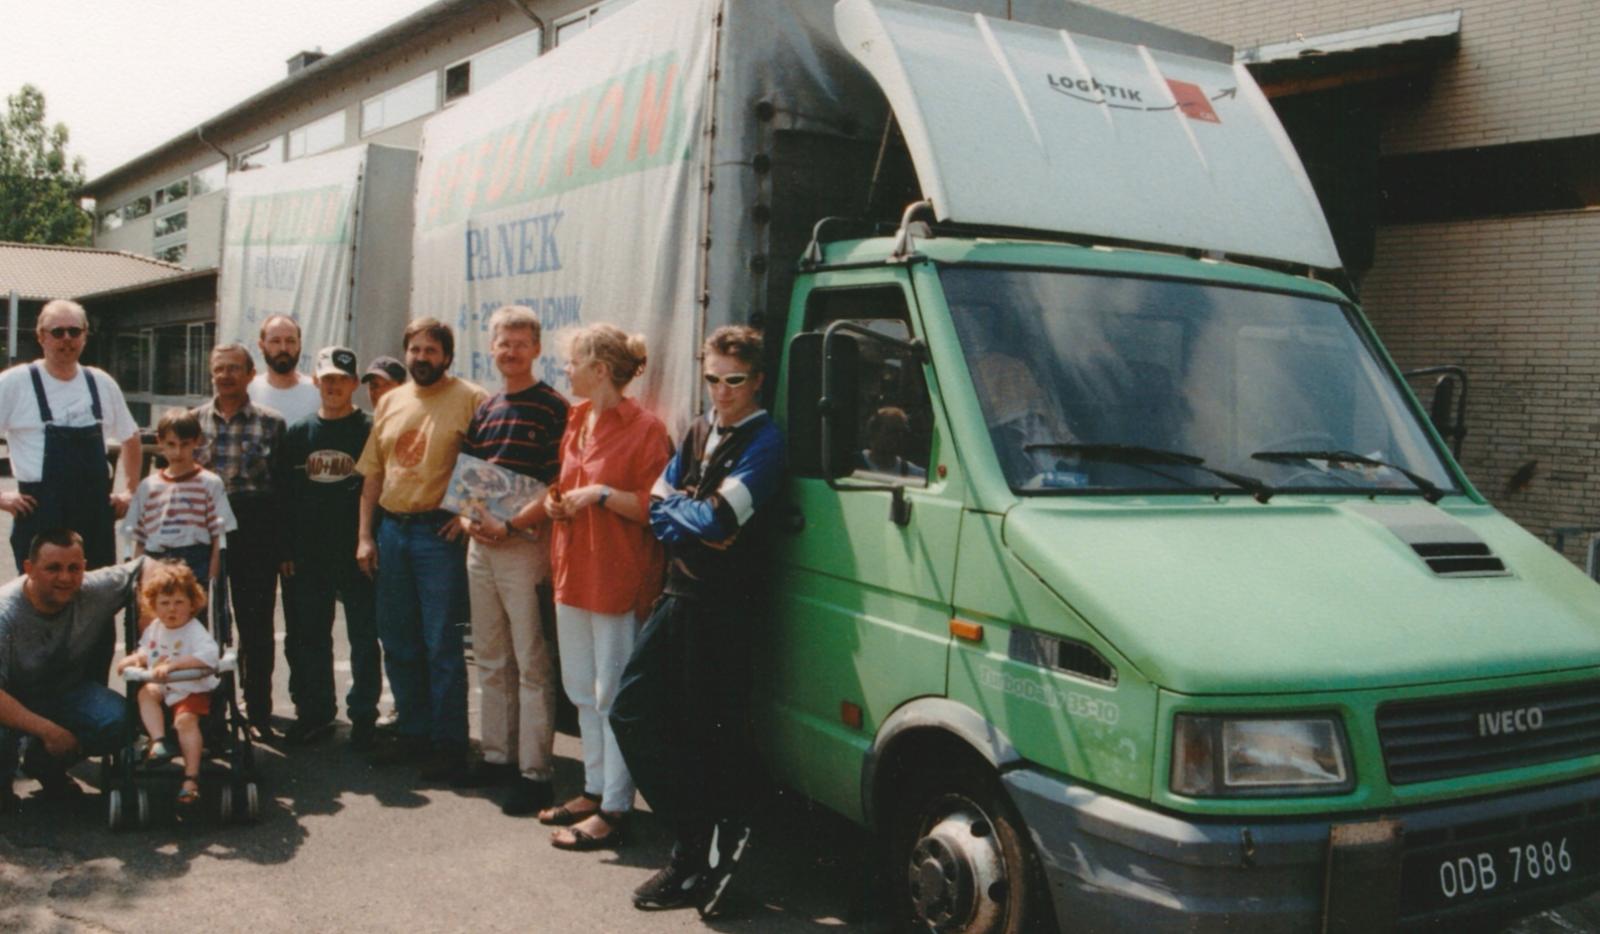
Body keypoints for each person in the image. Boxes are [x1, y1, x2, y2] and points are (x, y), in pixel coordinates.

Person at [613, 325, 784, 916]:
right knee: (631, 712)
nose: (721, 390)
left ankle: (703, 863)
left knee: (710, 735)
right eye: (712, 378)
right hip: (679, 593)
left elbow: (716, 521)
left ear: (757, 380)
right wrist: (693, 516)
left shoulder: (765, 441)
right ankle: (693, 846)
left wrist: (689, 514)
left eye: (734, 380)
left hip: (723, 607)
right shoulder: (697, 430)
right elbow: (658, 508)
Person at [535, 324, 671, 849]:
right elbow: (568, 486)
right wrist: (559, 504)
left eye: (573, 362)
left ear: (600, 369)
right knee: (580, 689)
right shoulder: (577, 419)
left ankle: (616, 807)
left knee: (612, 694)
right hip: (573, 571)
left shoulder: (645, 429)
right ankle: (594, 789)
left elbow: (655, 508)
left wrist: (599, 493)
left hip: (617, 576)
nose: (565, 370)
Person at [356, 318, 485, 782]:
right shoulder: (391, 400)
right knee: (398, 639)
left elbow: (488, 460)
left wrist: (468, 511)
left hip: (438, 535)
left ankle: (449, 746)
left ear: (447, 356)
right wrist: (365, 535)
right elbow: (373, 473)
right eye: (415, 349)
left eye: (432, 350)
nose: (422, 357)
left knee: (442, 644)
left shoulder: (471, 398)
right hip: (393, 530)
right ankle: (413, 732)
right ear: (405, 353)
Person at [456, 307, 568, 814]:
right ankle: (497, 756)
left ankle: (535, 772)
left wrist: (513, 525)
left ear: (537, 349)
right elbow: (471, 475)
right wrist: (469, 521)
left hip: (523, 545)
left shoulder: (553, 407)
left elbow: (557, 483)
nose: (512, 352)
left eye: (521, 344)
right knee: (490, 654)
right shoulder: (486, 407)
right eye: (504, 343)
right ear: (492, 347)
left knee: (530, 659)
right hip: (482, 544)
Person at [278, 346, 382, 748]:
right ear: (315, 382)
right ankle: (316, 712)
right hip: (309, 552)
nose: (333, 386)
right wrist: (286, 548)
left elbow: (378, 488)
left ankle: (364, 716)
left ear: (354, 383)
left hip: (356, 551)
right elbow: (285, 496)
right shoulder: (298, 433)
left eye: (341, 379)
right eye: (327, 380)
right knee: (310, 636)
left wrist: (370, 539)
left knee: (363, 636)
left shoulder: (369, 429)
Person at [0, 530, 147, 812]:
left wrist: (148, 619)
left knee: (119, 720)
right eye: (53, 568)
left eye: (74, 568)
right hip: (10, 701)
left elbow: (148, 566)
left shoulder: (93, 589)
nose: (65, 578)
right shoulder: (5, 613)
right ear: (29, 568)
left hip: (64, 693)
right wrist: (48, 731)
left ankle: (43, 764)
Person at [0, 299, 142, 573]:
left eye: (74, 331)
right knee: (42, 593)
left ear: (85, 335)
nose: (67, 338)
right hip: (39, 513)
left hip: (94, 513)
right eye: (57, 332)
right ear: (41, 336)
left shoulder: (100, 382)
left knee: (96, 592)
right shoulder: (15, 383)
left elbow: (131, 436)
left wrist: (130, 491)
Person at [193, 343, 288, 741]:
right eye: (219, 368)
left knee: (255, 625)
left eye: (235, 368)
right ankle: (207, 712)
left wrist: (283, 547)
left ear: (251, 374)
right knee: (203, 622)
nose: (226, 375)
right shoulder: (192, 421)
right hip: (204, 530)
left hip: (255, 527)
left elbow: (284, 489)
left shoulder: (272, 423)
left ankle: (258, 711)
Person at [115, 562, 218, 806]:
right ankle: (159, 741)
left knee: (185, 722)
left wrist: (174, 665)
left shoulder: (194, 630)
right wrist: (135, 659)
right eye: (165, 603)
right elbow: (147, 651)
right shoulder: (155, 628)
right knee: (146, 693)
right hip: (164, 687)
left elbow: (209, 656)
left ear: (192, 604)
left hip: (190, 688)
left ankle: (191, 779)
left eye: (179, 602)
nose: (172, 609)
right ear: (154, 606)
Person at [122, 409, 236, 585]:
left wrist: (212, 580)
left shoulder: (210, 483)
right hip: (155, 560)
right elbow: (140, 541)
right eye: (171, 444)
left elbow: (218, 539)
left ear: (196, 441)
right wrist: (138, 581)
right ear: (160, 442)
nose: (177, 452)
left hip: (195, 561)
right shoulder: (148, 486)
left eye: (185, 444)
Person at [249, 314, 320, 425]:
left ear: (299, 345)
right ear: (261, 346)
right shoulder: (248, 391)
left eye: (290, 341)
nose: (283, 348)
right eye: (275, 341)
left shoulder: (317, 392)